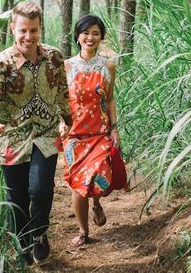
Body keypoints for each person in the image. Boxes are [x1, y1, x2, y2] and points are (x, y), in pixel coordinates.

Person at [0, 1, 71, 266]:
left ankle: (39, 233)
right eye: (23, 30)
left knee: (40, 189)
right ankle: (22, 243)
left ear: (40, 29)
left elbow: (62, 90)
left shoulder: (54, 57)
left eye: (34, 30)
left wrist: (69, 118)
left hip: (46, 135)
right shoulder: (3, 62)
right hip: (12, 138)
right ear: (13, 29)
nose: (29, 37)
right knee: (15, 197)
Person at [62, 14, 122, 247]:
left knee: (97, 175)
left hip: (99, 133)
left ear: (101, 37)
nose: (90, 37)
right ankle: (83, 231)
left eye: (95, 33)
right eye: (86, 33)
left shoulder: (108, 66)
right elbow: (59, 99)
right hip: (74, 137)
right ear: (78, 37)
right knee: (78, 186)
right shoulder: (66, 66)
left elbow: (109, 100)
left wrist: (115, 128)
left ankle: (96, 203)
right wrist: (61, 121)